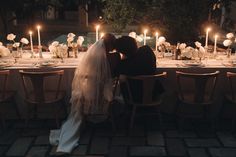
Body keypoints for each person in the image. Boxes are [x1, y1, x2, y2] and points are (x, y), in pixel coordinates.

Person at [49, 34, 117, 154]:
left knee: (84, 92)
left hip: (89, 93)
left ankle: (81, 121)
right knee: (117, 92)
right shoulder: (114, 57)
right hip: (104, 95)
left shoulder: (91, 55)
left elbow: (83, 75)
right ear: (111, 45)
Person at [116, 36, 164, 103]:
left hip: (134, 97)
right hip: (154, 93)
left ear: (121, 51)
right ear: (135, 43)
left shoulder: (124, 65)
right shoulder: (147, 50)